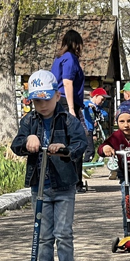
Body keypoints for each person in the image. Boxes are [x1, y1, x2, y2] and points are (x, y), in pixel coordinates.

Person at [11, 69, 87, 261]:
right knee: (42, 236)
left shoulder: (68, 120)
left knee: (63, 234)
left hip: (63, 186)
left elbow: (81, 143)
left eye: (46, 98)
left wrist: (64, 149)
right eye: (36, 100)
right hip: (39, 187)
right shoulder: (29, 121)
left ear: (56, 96)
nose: (41, 104)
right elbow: (17, 144)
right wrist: (27, 141)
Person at [51, 30, 87, 193]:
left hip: (57, 102)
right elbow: (67, 82)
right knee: (77, 140)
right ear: (76, 44)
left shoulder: (58, 59)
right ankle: (76, 182)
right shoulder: (70, 59)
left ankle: (64, 179)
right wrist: (72, 108)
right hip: (67, 102)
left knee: (61, 140)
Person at [83, 87, 109, 163]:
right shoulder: (86, 104)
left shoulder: (98, 108)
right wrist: (90, 106)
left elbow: (105, 114)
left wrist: (99, 112)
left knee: (90, 150)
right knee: (90, 151)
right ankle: (84, 166)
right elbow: (84, 107)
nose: (103, 102)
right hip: (84, 129)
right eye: (102, 99)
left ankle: (85, 165)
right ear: (96, 96)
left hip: (90, 130)